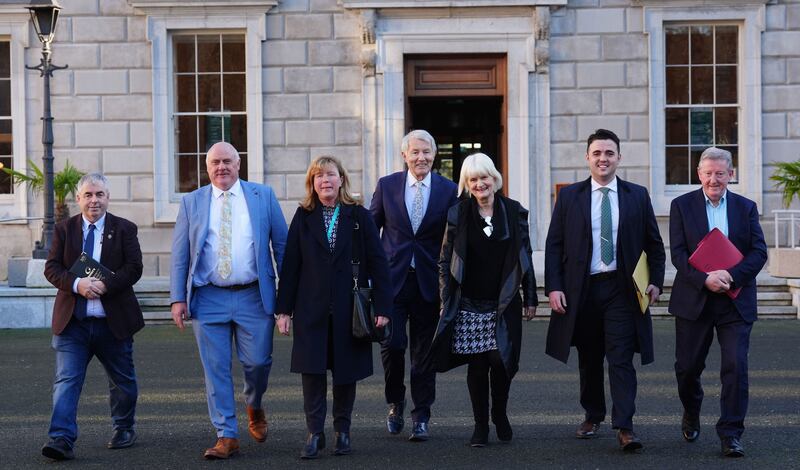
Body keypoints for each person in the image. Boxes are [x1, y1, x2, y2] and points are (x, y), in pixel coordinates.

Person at [544, 129, 665, 451]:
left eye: (609, 153)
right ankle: (593, 414)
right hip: (582, 290)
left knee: (621, 357)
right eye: (597, 153)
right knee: (589, 357)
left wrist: (656, 281)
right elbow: (554, 245)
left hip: (622, 290)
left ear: (619, 158)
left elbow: (654, 244)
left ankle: (625, 426)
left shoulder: (637, 195)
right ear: (587, 157)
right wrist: (553, 287)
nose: (603, 159)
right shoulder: (570, 196)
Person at [169, 141, 288, 460]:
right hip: (208, 298)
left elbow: (282, 247)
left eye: (227, 161)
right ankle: (226, 434)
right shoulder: (192, 201)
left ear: (239, 164)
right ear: (207, 168)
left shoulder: (263, 196)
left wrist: (285, 302)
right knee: (216, 368)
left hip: (254, 296)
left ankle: (255, 404)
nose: (221, 167)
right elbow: (180, 254)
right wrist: (177, 298)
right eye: (215, 162)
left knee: (258, 362)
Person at [276, 156, 391, 459]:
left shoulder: (359, 216)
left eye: (330, 175)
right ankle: (315, 433)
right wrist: (283, 311)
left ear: (342, 179)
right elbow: (290, 266)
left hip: (349, 309)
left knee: (345, 374)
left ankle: (343, 432)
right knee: (312, 374)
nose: (325, 181)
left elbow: (379, 263)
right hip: (310, 309)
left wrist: (384, 306)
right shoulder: (303, 216)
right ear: (312, 183)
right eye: (318, 176)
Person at [430, 153, 537, 447]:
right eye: (473, 179)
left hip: (503, 302)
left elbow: (525, 256)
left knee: (500, 361)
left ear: (494, 179)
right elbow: (444, 260)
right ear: (467, 183)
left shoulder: (514, 212)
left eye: (484, 177)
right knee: (478, 365)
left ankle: (499, 414)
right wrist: (445, 298)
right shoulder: (458, 214)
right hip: (469, 303)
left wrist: (530, 296)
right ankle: (480, 426)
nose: (480, 184)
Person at [669, 147, 767, 458]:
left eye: (720, 173)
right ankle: (692, 411)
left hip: (734, 302)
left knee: (736, 366)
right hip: (694, 299)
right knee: (687, 369)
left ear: (731, 175)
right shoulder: (681, 206)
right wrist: (705, 279)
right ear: (699, 174)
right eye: (708, 173)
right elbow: (679, 255)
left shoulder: (746, 207)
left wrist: (731, 275)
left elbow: (758, 252)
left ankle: (731, 433)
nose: (714, 179)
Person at [41, 173, 144, 461]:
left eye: (99, 194)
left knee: (123, 381)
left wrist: (106, 284)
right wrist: (77, 284)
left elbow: (134, 268)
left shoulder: (125, 229)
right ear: (78, 199)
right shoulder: (64, 230)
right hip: (73, 324)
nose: (94, 200)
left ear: (108, 198)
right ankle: (60, 439)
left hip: (113, 323)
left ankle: (123, 428)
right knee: (67, 380)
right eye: (88, 195)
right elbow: (51, 268)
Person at [369, 129, 458, 441]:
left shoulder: (449, 190)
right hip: (391, 282)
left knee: (424, 355)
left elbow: (457, 236)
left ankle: (421, 415)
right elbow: (371, 230)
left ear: (434, 156)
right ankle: (395, 401)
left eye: (427, 152)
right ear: (404, 155)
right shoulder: (387, 186)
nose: (422, 158)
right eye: (416, 152)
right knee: (392, 346)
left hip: (429, 284)